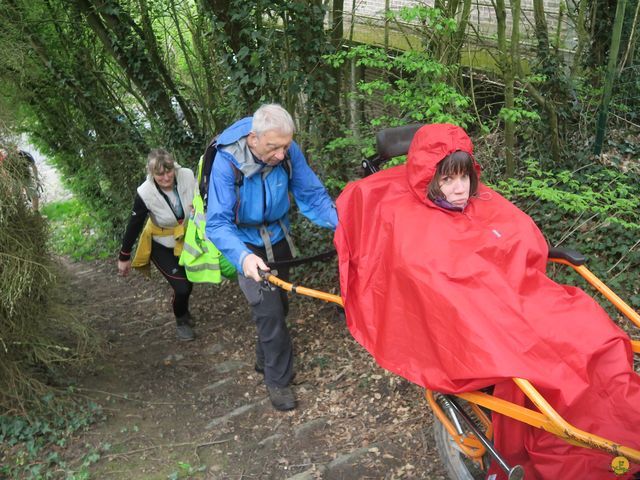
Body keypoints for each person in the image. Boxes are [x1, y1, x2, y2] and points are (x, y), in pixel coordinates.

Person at [334, 123, 640, 479]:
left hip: (522, 297)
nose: (460, 189)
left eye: (464, 177)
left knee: (593, 335)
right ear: (428, 181)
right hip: (481, 316)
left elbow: (523, 243)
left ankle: (615, 415)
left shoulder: (486, 203)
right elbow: (429, 280)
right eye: (447, 181)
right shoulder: (409, 221)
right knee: (543, 363)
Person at [205, 103, 337, 411]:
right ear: (253, 139)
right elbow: (217, 222)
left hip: (278, 238)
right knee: (271, 315)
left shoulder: (288, 151)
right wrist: (243, 258)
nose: (281, 155)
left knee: (280, 305)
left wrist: (343, 225)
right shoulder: (227, 162)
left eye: (285, 147)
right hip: (244, 244)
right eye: (273, 148)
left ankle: (263, 360)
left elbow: (312, 195)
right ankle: (278, 381)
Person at [117, 148, 197, 341]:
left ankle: (183, 310)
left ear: (174, 167)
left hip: (188, 239)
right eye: (159, 174)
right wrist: (124, 256)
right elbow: (134, 224)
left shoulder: (186, 175)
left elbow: (202, 196)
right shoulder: (145, 192)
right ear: (151, 173)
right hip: (160, 244)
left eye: (168, 171)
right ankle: (181, 321)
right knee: (182, 287)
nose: (166, 177)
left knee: (189, 282)